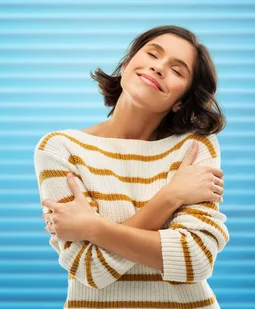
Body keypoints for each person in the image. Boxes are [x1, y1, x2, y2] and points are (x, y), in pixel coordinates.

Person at [33, 25, 228, 309]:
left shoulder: (194, 147)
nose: (159, 68)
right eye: (152, 54)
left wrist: (92, 228)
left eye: (177, 70)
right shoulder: (60, 148)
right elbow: (91, 270)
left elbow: (196, 259)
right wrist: (171, 196)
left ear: (180, 101)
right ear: (126, 65)